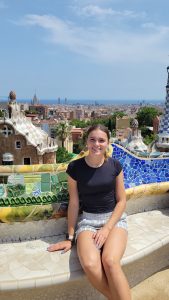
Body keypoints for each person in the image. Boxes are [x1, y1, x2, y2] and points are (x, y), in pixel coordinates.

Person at [47, 124, 131, 300]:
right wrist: (70, 237)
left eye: (102, 140)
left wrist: (107, 228)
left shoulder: (115, 166)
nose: (97, 144)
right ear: (86, 141)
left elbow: (122, 201)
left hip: (113, 221)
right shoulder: (75, 168)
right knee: (91, 265)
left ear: (108, 143)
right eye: (92, 139)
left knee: (110, 261)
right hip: (88, 222)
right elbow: (74, 203)